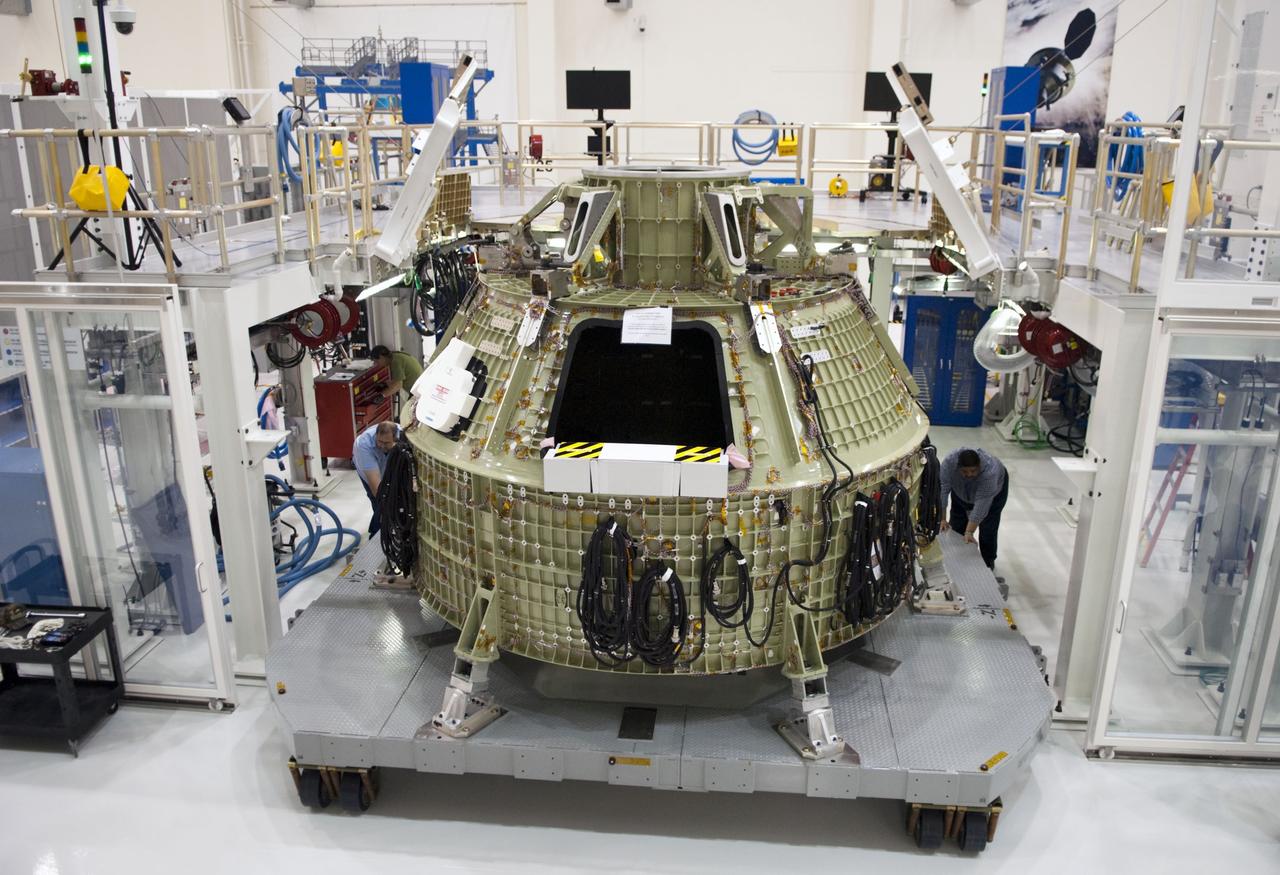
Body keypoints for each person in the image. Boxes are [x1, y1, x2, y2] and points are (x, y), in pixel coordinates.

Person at [938, 447, 1009, 572]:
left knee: (988, 528)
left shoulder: (990, 473)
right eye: (965, 471)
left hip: (994, 494)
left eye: (973, 471)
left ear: (979, 466)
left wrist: (969, 532)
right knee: (957, 523)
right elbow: (943, 490)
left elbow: (981, 507)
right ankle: (957, 557)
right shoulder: (949, 464)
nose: (969, 474)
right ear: (957, 467)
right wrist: (942, 519)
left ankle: (988, 561)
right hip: (960, 490)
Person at [353, 420, 400, 536]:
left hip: (387, 467)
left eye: (387, 443)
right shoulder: (364, 446)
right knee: (379, 501)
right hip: (368, 471)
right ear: (376, 435)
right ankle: (377, 532)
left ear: (395, 439)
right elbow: (377, 490)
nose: (382, 446)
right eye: (380, 441)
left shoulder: (404, 436)